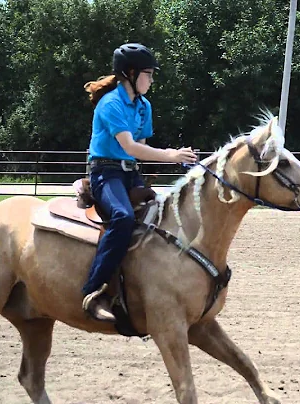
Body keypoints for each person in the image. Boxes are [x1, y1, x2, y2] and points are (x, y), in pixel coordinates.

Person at [81, 43, 197, 322]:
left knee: (162, 215)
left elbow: (141, 148)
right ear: (130, 73)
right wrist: (171, 155)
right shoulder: (111, 104)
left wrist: (171, 160)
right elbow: (130, 146)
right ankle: (94, 291)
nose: (152, 79)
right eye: (148, 73)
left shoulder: (144, 106)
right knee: (121, 218)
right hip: (105, 173)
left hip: (130, 173)